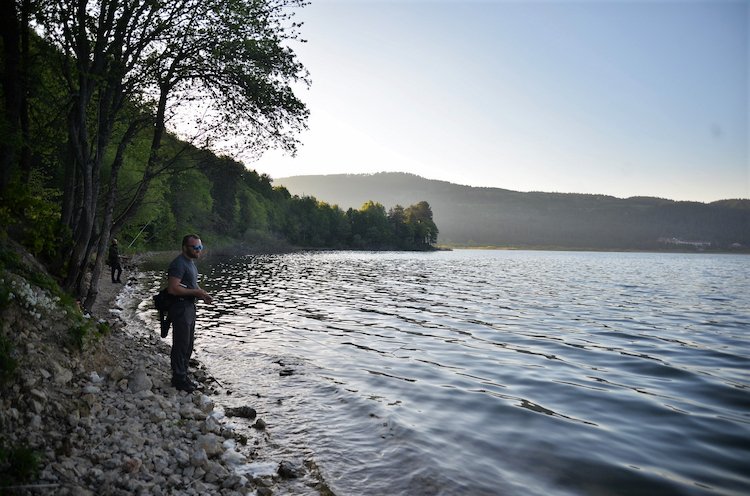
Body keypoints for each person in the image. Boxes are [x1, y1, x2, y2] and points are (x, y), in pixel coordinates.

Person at [167, 234, 213, 392]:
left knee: (188, 344)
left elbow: (190, 284)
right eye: (195, 247)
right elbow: (173, 288)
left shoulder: (190, 263)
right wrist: (196, 292)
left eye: (200, 247)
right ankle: (178, 380)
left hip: (189, 307)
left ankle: (183, 374)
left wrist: (201, 293)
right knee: (181, 344)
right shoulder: (178, 264)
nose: (199, 250)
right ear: (185, 247)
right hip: (180, 308)